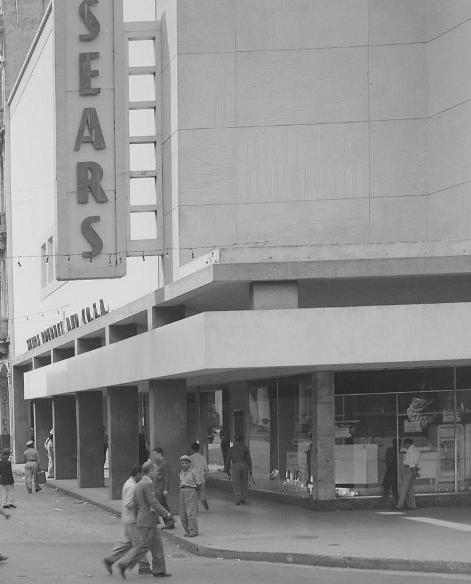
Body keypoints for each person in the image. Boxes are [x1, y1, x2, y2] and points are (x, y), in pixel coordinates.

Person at [117, 461, 173, 579]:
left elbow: (138, 504)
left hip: (146, 519)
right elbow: (152, 501)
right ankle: (124, 564)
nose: (156, 473)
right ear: (150, 471)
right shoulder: (146, 484)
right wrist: (166, 513)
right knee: (144, 546)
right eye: (155, 470)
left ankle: (159, 570)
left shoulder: (140, 484)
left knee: (157, 544)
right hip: (147, 519)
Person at [103, 464, 151, 576]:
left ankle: (110, 560)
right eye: (142, 474)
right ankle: (136, 564)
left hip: (128, 519)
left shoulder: (130, 483)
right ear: (138, 474)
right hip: (131, 519)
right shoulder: (132, 486)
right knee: (139, 545)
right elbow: (129, 503)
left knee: (128, 544)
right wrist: (140, 504)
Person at [150, 447, 174, 529]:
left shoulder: (164, 463)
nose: (153, 456)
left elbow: (167, 476)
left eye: (155, 454)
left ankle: (169, 522)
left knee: (160, 506)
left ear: (160, 453)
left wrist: (166, 489)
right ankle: (170, 521)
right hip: (156, 489)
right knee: (162, 505)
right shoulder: (158, 464)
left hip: (161, 489)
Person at [225, 434, 252, 505]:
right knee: (244, 482)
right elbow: (248, 459)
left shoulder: (232, 449)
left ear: (235, 440)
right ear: (242, 440)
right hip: (244, 464)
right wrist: (250, 469)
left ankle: (238, 499)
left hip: (236, 465)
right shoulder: (245, 448)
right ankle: (243, 498)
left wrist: (227, 469)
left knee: (236, 482)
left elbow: (228, 460)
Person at [179, 455, 202, 537]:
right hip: (182, 491)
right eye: (182, 463)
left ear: (189, 464)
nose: (183, 464)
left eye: (185, 463)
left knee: (191, 512)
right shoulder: (181, 473)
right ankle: (186, 530)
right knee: (182, 513)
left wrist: (198, 493)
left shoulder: (193, 472)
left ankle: (193, 531)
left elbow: (199, 483)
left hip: (191, 490)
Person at [396, 438, 421, 510]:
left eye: (405, 444)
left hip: (408, 469)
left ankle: (399, 505)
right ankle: (412, 505)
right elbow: (415, 460)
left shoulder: (410, 450)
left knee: (403, 488)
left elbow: (411, 461)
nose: (404, 445)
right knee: (411, 489)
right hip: (413, 469)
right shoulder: (415, 449)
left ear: (407, 443)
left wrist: (413, 469)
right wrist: (415, 471)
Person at [190, 442, 209, 510]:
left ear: (192, 449)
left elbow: (190, 468)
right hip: (201, 478)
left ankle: (196, 508)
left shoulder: (191, 458)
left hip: (193, 479)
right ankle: (203, 499)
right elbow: (206, 469)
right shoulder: (203, 458)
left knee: (194, 493)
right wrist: (206, 475)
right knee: (201, 491)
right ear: (199, 449)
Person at [382, 439, 401, 507]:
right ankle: (393, 503)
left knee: (387, 489)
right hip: (394, 472)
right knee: (394, 490)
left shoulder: (390, 450)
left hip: (390, 472)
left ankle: (386, 503)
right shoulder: (400, 450)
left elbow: (387, 461)